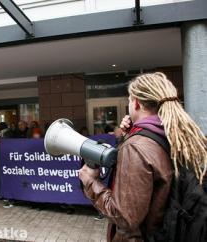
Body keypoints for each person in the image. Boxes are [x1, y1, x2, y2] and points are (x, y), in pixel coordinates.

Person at [79, 72, 207, 242]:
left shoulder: (136, 147)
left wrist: (90, 182)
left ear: (137, 103)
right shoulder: (176, 134)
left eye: (130, 100)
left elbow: (126, 218)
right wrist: (130, 136)